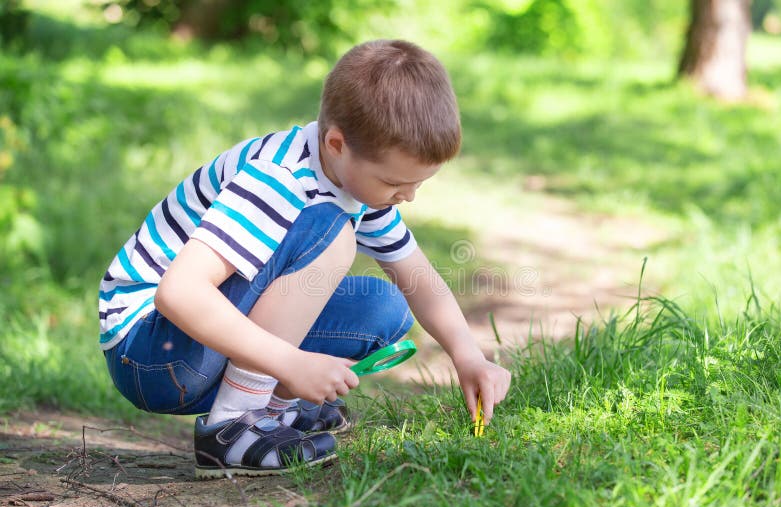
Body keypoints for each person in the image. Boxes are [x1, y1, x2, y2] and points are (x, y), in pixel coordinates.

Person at [99, 39, 511, 479]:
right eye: (394, 183)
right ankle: (235, 423)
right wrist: (290, 363)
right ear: (337, 143)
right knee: (330, 233)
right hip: (152, 351)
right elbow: (178, 293)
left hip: (197, 342)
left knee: (383, 308)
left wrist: (468, 356)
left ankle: (275, 411)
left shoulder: (350, 178)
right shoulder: (278, 179)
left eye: (417, 185)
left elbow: (418, 277)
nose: (406, 197)